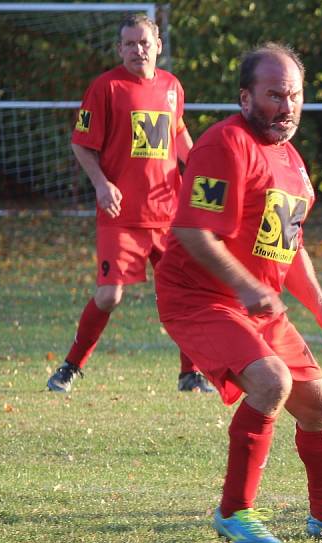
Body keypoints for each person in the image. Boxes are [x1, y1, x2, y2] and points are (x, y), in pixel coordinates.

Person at [154, 42, 322, 543]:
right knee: (270, 381)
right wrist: (243, 286)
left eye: (294, 95)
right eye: (275, 94)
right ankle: (234, 511)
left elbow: (289, 242)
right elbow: (193, 231)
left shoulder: (293, 161)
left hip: (257, 305)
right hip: (199, 298)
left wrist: (320, 305)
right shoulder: (223, 145)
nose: (287, 106)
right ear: (245, 97)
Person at [47, 14, 215, 394]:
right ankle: (71, 366)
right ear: (119, 48)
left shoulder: (172, 86)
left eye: (144, 43)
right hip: (120, 216)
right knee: (109, 295)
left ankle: (190, 374)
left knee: (185, 292)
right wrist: (102, 184)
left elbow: (177, 132)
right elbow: (81, 143)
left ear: (158, 45)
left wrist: (201, 167)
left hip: (168, 214)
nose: (138, 50)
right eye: (129, 44)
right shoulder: (106, 88)